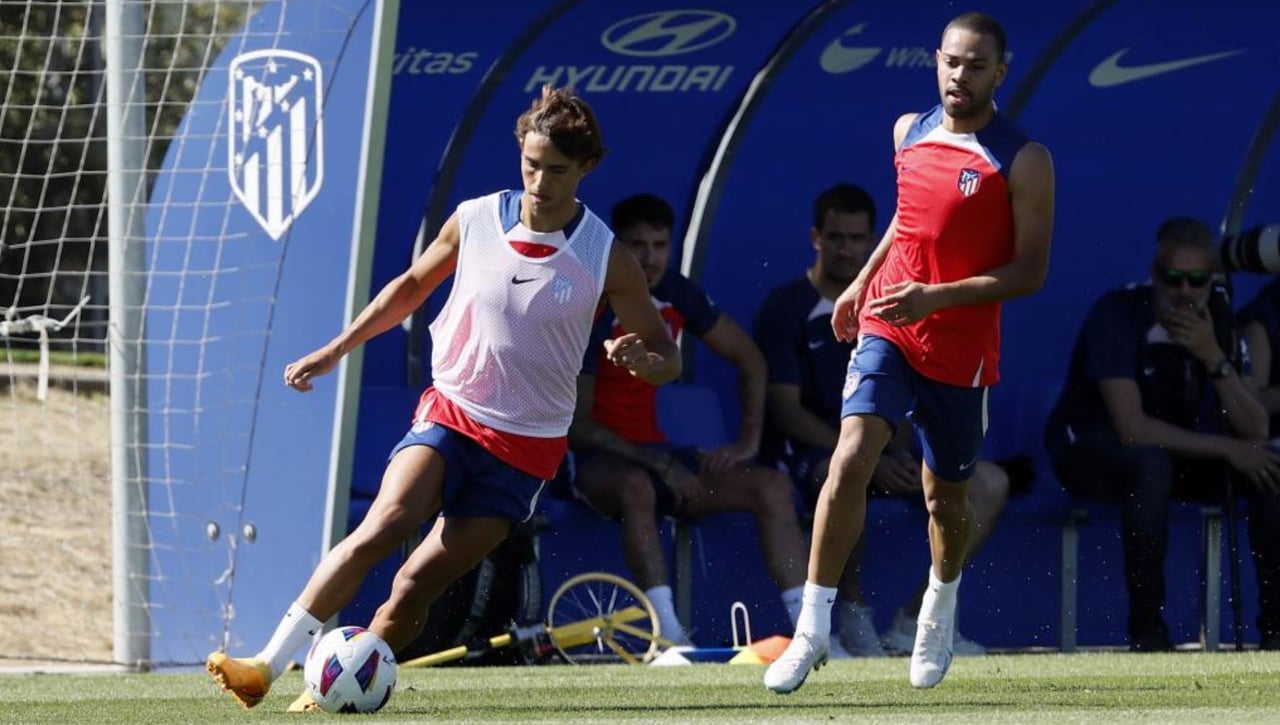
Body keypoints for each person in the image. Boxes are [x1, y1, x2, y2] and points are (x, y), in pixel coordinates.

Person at [205, 85, 682, 711]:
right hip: (452, 410)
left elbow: (667, 360)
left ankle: (339, 690)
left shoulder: (605, 256)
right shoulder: (476, 217)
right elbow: (408, 288)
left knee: (411, 588)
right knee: (385, 525)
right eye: (531, 164)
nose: (540, 181)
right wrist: (335, 349)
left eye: (557, 170)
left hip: (525, 450)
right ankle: (266, 665)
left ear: (586, 168)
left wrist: (643, 360)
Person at [763, 11, 1054, 694]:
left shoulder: (1024, 156)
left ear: (1000, 73)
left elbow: (1030, 272)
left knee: (944, 496)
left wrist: (938, 296)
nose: (961, 75)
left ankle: (938, 606)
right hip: (891, 324)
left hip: (960, 348)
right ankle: (812, 628)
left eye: (977, 65)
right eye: (952, 61)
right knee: (852, 452)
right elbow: (906, 218)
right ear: (936, 62)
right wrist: (861, 284)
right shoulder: (907, 129)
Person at [754, 183, 1008, 658]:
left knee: (989, 482)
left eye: (857, 238)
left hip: (890, 444)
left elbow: (917, 381)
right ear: (816, 238)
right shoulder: (785, 307)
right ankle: (849, 613)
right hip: (815, 452)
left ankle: (916, 621)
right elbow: (786, 409)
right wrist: (869, 451)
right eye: (836, 237)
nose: (847, 249)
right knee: (850, 467)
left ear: (875, 240)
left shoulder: (899, 297)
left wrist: (895, 450)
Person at [565, 192, 807, 646]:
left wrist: (747, 443)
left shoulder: (677, 293)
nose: (650, 258)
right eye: (638, 245)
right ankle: (669, 640)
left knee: (772, 486)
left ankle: (812, 633)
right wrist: (659, 466)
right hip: (597, 464)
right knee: (637, 486)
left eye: (660, 245)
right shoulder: (596, 303)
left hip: (661, 457)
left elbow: (750, 359)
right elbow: (576, 425)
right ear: (617, 247)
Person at [1046, 217, 1280, 652]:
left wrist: (1213, 356)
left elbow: (1256, 428)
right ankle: (1148, 629)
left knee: (1269, 465)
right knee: (1150, 466)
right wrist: (1228, 448)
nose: (1185, 292)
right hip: (1093, 451)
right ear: (1155, 276)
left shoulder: (1220, 324)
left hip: (1178, 455)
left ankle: (1277, 628)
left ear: (1212, 282)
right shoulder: (1118, 314)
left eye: (1197, 280)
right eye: (1174, 278)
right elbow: (1132, 430)